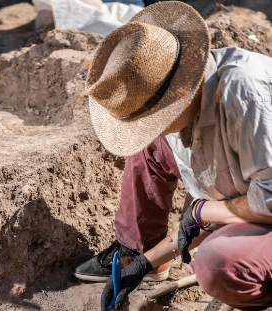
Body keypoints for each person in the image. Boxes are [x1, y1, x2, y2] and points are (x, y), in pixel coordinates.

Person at [72, 1, 272, 310]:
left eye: (151, 120)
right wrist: (142, 264)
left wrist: (203, 212)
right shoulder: (188, 104)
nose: (147, 130)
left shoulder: (245, 96)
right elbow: (206, 220)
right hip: (252, 195)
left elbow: (267, 202)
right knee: (151, 149)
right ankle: (134, 253)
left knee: (216, 265)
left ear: (179, 96)